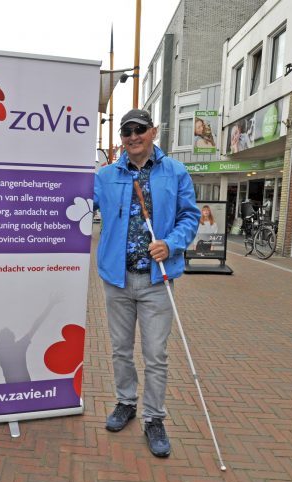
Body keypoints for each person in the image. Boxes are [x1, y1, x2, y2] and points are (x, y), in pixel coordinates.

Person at [93, 108, 199, 458]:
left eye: (139, 129)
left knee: (155, 354)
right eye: (126, 131)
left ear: (153, 132)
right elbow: (74, 203)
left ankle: (154, 418)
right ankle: (126, 402)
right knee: (121, 350)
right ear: (120, 138)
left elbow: (190, 216)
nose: (133, 136)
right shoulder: (105, 175)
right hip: (117, 278)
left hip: (158, 279)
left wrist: (171, 243)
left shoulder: (176, 171)